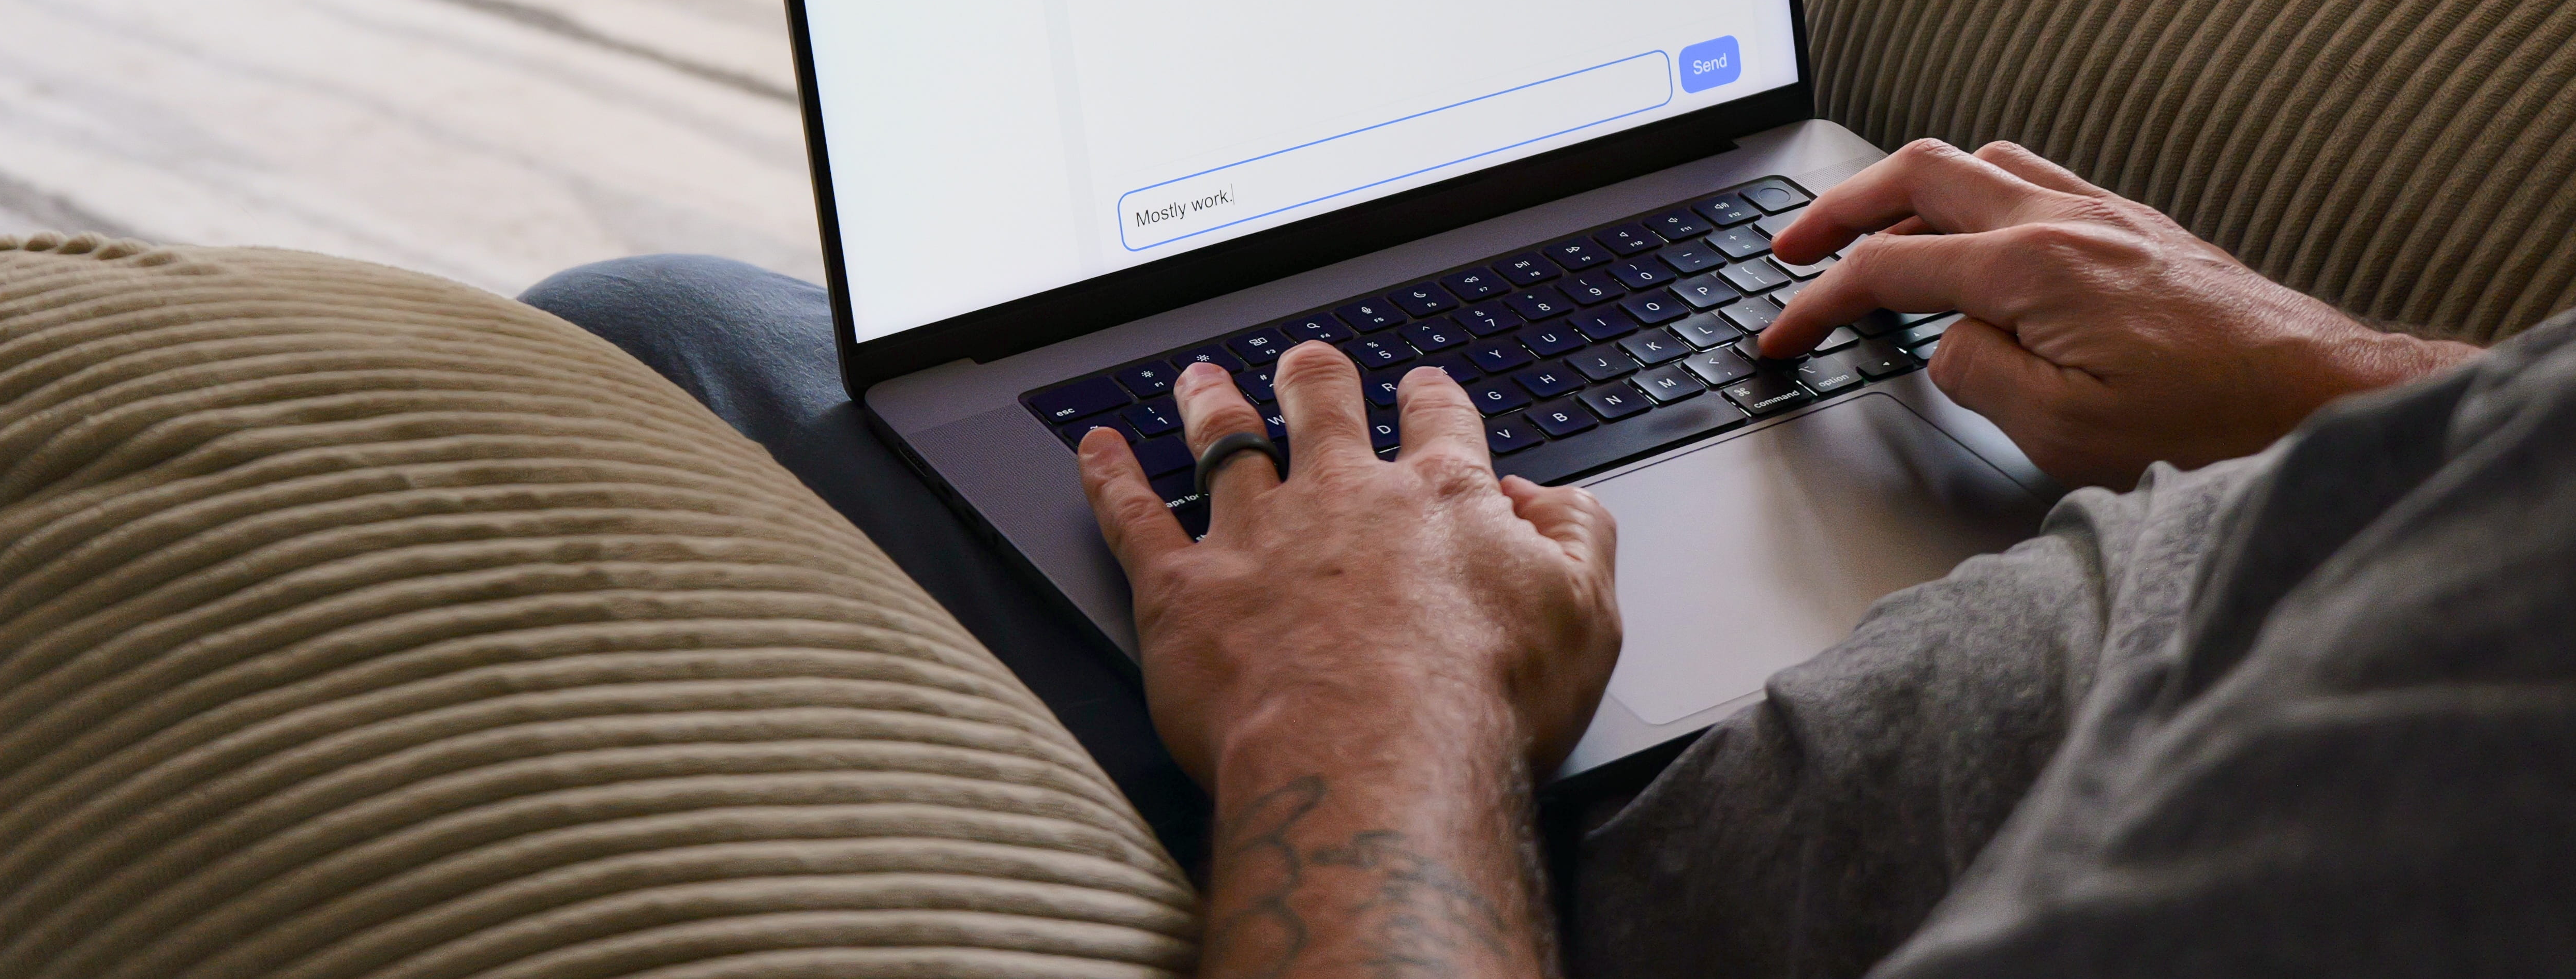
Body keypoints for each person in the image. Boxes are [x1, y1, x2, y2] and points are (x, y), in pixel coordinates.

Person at [522, 140, 2576, 975]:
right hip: (2093, 527)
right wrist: (2359, 388)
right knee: (704, 324)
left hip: (1553, 831)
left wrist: (1364, 688)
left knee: (646, 337)